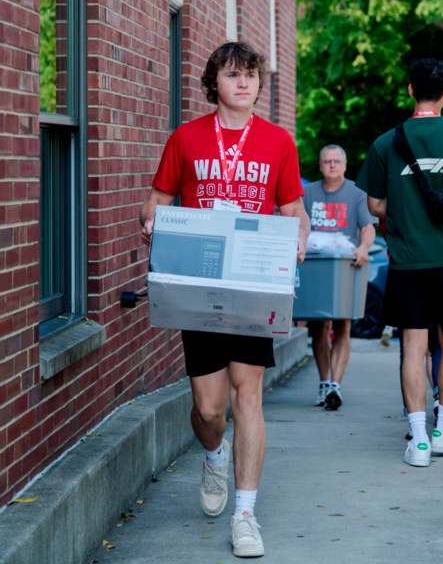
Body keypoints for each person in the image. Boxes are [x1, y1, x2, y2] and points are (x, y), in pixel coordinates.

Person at [140, 42, 309, 558]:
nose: (244, 84)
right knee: (210, 410)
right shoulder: (186, 138)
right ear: (215, 83)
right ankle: (214, 454)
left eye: (252, 76)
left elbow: (293, 207)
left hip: (254, 286)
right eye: (234, 76)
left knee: (247, 395)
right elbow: (159, 201)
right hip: (203, 283)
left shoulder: (278, 141)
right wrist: (152, 225)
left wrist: (299, 238)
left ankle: (245, 514)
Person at [357, 58, 443, 468]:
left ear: (410, 91)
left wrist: (405, 209)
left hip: (407, 260)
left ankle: (418, 440)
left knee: (412, 348)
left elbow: (374, 203)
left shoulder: (387, 143)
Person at [303, 145, 375, 410]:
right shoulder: (308, 192)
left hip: (346, 266)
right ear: (320, 166)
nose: (331, 165)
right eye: (326, 161)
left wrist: (364, 248)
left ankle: (336, 384)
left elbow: (367, 228)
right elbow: (298, 224)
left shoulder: (356, 193)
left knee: (344, 324)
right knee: (319, 325)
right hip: (317, 267)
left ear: (344, 165)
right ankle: (324, 381)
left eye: (336, 161)